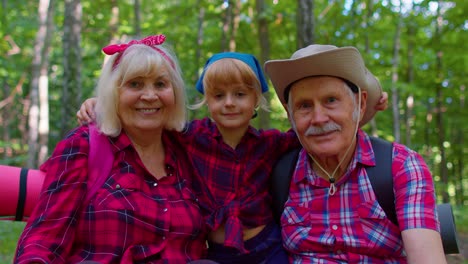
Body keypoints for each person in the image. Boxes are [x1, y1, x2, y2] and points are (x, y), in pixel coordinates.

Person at [77, 51, 389, 263]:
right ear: (206, 101)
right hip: (218, 251)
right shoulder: (189, 136)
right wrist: (101, 103)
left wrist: (368, 107)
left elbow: (319, 129)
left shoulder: (270, 144)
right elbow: (145, 117)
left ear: (256, 99)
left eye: (240, 95)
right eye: (219, 95)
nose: (229, 103)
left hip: (266, 246)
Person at [14, 35, 208, 263]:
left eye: (160, 84)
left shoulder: (190, 148)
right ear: (114, 92)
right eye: (134, 84)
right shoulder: (86, 146)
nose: (149, 95)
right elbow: (45, 237)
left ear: (174, 93)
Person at [264, 44, 446, 263]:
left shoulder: (401, 166)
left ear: (360, 103)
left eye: (331, 100)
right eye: (304, 105)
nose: (319, 118)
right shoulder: (278, 172)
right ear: (290, 114)